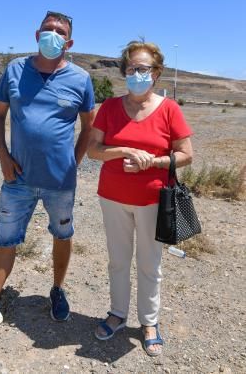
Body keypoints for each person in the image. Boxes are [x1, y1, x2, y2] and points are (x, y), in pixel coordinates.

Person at [0, 11, 95, 344]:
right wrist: (3, 157)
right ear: (37, 34)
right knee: (6, 238)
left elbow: (89, 127)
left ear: (68, 42)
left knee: (62, 233)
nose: (53, 35)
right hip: (18, 178)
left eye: (60, 32)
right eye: (48, 29)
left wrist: (74, 162)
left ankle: (57, 290)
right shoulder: (15, 70)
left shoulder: (80, 79)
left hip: (61, 182)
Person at [87, 40, 193, 356]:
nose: (136, 73)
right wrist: (123, 151)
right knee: (117, 260)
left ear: (156, 72)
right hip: (112, 198)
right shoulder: (108, 107)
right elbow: (94, 150)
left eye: (143, 68)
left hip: (152, 201)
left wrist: (154, 161)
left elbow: (187, 154)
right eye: (131, 68)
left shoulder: (169, 109)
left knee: (150, 263)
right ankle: (118, 314)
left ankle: (149, 322)